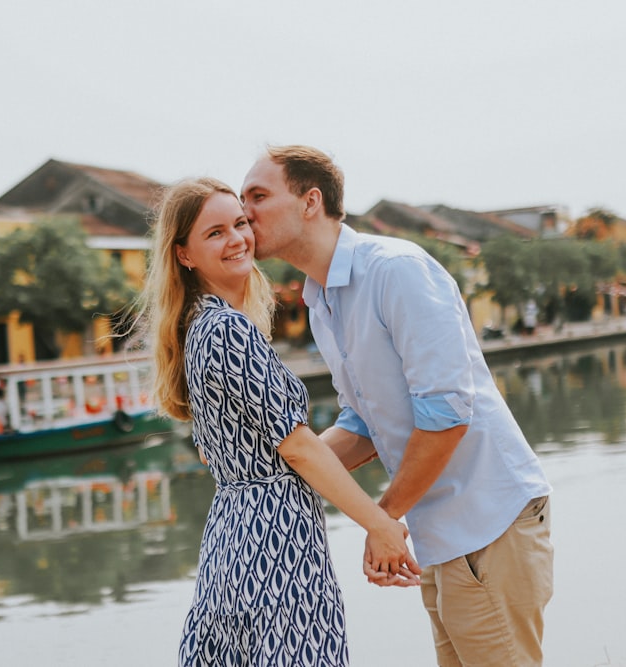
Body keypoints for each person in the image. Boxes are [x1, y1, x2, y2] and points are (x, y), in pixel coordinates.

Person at [241, 145, 554, 667]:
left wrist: (383, 519)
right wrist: (273, 469)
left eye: (258, 196)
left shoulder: (395, 271)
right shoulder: (321, 301)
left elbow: (446, 414)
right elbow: (364, 422)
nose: (245, 212)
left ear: (309, 201)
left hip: (488, 522)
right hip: (444, 535)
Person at [134, 177, 419, 666]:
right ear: (183, 254)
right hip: (275, 543)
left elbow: (282, 455)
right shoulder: (225, 331)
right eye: (215, 233)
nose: (238, 239)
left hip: (233, 538)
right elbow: (298, 449)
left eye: (240, 224)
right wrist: (380, 524)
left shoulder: (203, 325)